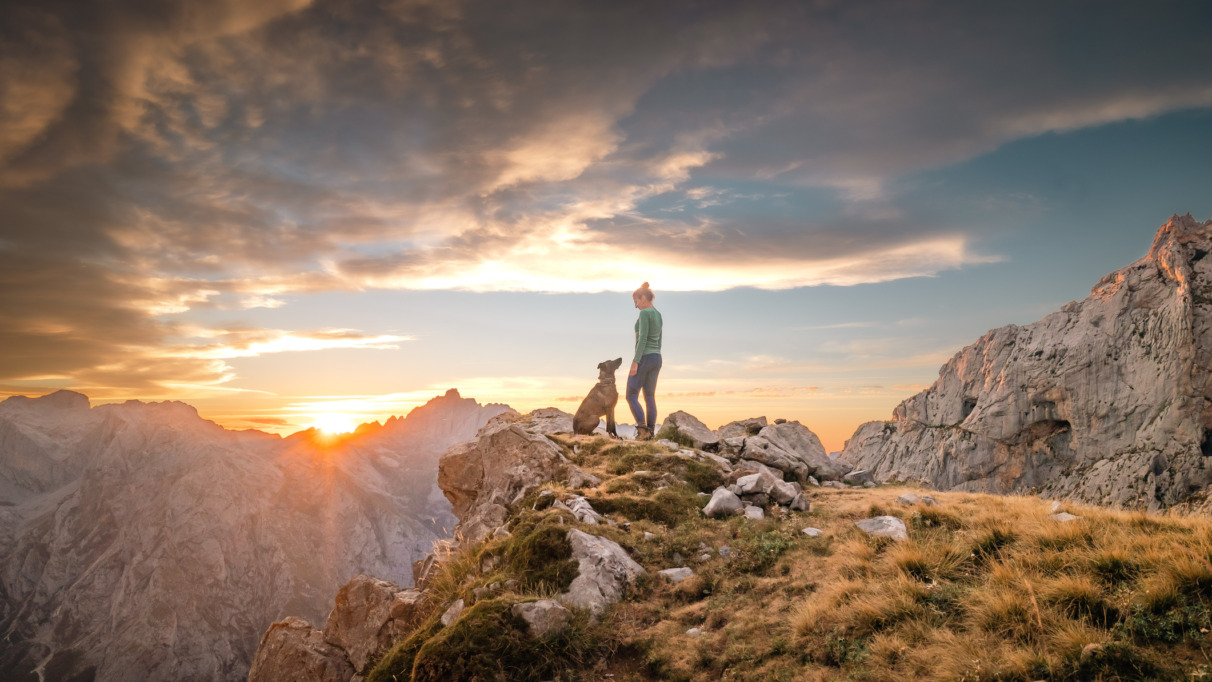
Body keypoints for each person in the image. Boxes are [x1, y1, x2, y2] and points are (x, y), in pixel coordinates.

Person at [627, 282, 662, 440]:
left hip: (644, 357)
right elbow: (659, 339)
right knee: (649, 397)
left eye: (636, 301)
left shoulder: (644, 314)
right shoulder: (658, 314)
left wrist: (636, 361)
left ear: (643, 298)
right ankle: (651, 432)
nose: (635, 305)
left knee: (631, 395)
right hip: (656, 357)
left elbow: (642, 338)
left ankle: (642, 432)